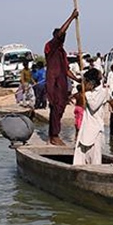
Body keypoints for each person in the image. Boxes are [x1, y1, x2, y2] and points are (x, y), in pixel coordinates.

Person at [45, 8, 79, 146]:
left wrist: (77, 79)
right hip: (53, 82)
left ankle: (54, 134)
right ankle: (54, 136)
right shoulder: (50, 46)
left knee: (60, 108)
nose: (63, 37)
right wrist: (71, 17)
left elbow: (66, 70)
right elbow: (60, 33)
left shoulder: (62, 52)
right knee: (55, 107)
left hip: (61, 83)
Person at [74, 69, 110, 166]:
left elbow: (93, 106)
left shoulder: (102, 92)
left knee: (95, 158)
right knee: (81, 156)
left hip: (95, 128)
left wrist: (87, 93)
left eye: (86, 81)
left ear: (91, 82)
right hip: (86, 127)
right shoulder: (89, 92)